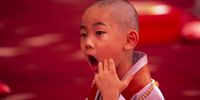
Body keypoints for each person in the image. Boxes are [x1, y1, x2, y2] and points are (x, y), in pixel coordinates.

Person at [80, 0, 165, 99]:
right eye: (83, 34)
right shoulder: (102, 83)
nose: (87, 43)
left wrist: (111, 96)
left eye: (99, 33)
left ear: (129, 40)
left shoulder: (149, 94)